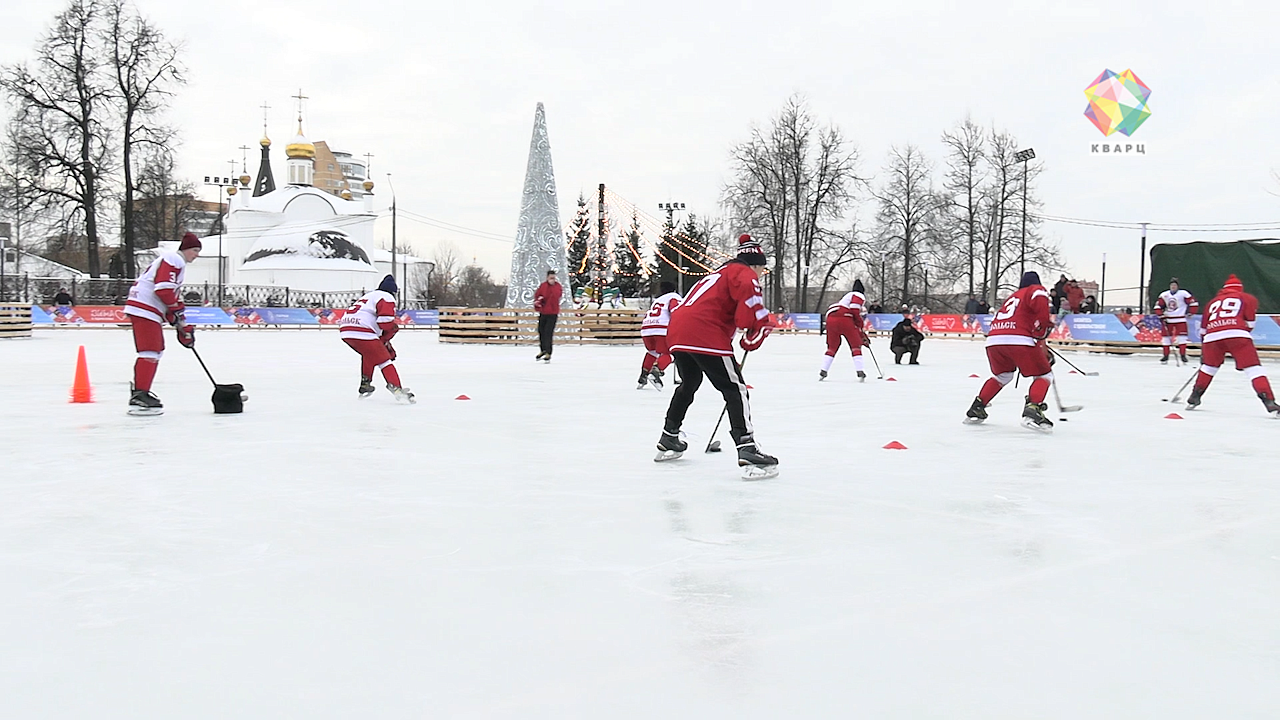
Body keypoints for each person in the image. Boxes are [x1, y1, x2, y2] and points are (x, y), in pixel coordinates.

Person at [655, 234, 777, 477]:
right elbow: (748, 313)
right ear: (755, 263)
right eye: (762, 269)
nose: (762, 273)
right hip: (705, 332)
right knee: (735, 388)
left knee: (689, 383)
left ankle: (669, 436)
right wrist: (757, 325)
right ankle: (747, 447)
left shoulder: (716, 273)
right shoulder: (743, 273)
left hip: (678, 331)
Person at [965, 271, 1055, 432]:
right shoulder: (1034, 290)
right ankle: (1033, 409)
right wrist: (1045, 325)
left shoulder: (1013, 297)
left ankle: (978, 407)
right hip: (1019, 340)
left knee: (1002, 375)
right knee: (1044, 375)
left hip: (994, 340)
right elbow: (1040, 299)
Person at [122, 232, 201, 415]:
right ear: (186, 249)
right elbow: (163, 290)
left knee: (154, 348)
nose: (196, 255)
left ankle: (141, 392)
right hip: (145, 306)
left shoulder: (174, 261)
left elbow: (167, 298)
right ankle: (140, 394)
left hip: (146, 307)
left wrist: (179, 322)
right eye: (195, 250)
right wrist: (176, 312)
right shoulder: (175, 259)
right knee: (151, 349)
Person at [1186, 274, 1279, 415]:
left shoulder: (1212, 302)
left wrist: (1206, 350)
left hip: (1211, 337)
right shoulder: (1247, 298)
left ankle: (1195, 395)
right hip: (1237, 334)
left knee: (1209, 367)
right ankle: (1268, 400)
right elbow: (1251, 324)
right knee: (1253, 369)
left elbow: (1203, 329)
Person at [338, 274, 413, 403]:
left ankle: (365, 384)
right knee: (385, 361)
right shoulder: (387, 297)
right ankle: (396, 388)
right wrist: (393, 329)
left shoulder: (369, 296)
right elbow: (384, 322)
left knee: (369, 354)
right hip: (362, 330)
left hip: (346, 330)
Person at [820, 279, 868, 381]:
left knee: (832, 346)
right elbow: (854, 310)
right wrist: (860, 327)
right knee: (855, 346)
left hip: (830, 317)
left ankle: (823, 370)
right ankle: (860, 371)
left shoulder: (843, 300)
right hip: (844, 318)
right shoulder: (859, 295)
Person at [638, 281, 682, 389]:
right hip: (661, 329)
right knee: (669, 353)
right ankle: (656, 371)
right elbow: (675, 310)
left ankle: (643, 376)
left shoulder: (657, 300)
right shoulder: (674, 296)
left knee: (652, 352)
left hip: (646, 329)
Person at [1155, 277, 1198, 364]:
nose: (1173, 287)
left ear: (1177, 286)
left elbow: (1193, 303)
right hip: (1168, 319)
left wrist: (1191, 312)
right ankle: (1165, 356)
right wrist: (1161, 315)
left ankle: (1183, 355)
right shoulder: (1164, 295)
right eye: (1172, 285)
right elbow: (1157, 306)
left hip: (1180, 319)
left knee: (1182, 338)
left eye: (1175, 285)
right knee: (1166, 338)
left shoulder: (1184, 294)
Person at [533, 270, 562, 362]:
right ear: (547, 278)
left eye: (553, 278)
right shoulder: (543, 286)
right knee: (541, 331)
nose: (552, 280)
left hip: (552, 313)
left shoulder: (557, 287)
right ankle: (543, 350)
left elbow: (557, 295)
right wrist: (538, 301)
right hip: (544, 312)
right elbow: (538, 295)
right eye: (550, 278)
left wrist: (551, 289)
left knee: (548, 332)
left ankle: (548, 352)